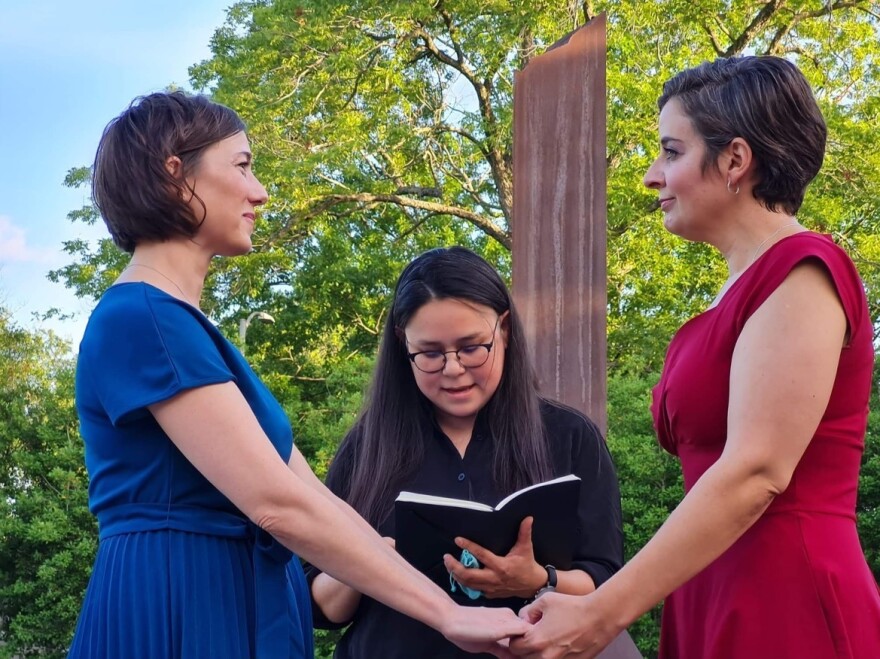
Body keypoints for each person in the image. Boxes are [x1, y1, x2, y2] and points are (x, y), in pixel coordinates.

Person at [67, 92, 531, 659]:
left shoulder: (179, 328)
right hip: (181, 601)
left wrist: (446, 609)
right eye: (241, 165)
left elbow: (313, 500)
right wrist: (448, 615)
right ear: (175, 176)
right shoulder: (144, 321)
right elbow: (276, 505)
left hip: (229, 598)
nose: (259, 190)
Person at [506, 55, 880, 659]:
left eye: (671, 152)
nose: (653, 176)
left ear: (735, 160)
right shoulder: (731, 298)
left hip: (785, 600)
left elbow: (757, 471)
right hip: (710, 587)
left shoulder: (803, 270)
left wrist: (601, 612)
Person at [305, 246, 623, 658]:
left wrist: (536, 579)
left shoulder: (568, 435)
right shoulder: (368, 446)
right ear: (404, 347)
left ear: (504, 330)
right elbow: (319, 605)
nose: (453, 369)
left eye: (473, 347)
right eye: (431, 354)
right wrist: (366, 562)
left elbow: (605, 581)